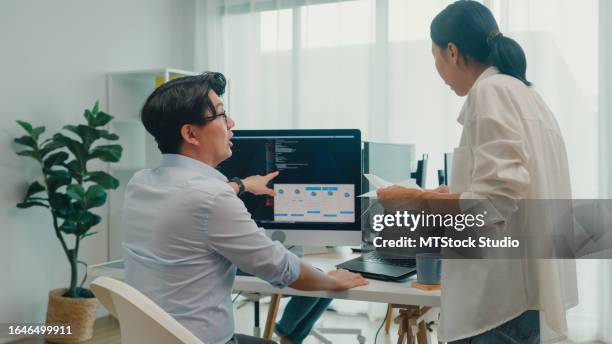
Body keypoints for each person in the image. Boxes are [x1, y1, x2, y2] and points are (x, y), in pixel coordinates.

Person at [377, 1, 577, 343]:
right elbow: (510, 188)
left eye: (435, 55)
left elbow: (494, 202)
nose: (437, 67)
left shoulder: (491, 92)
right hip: (523, 296)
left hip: (496, 305)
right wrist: (453, 192)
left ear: (452, 51)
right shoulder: (525, 94)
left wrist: (416, 199)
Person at [121, 72, 368, 344]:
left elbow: (194, 203)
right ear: (190, 133)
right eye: (220, 115)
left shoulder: (140, 183)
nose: (231, 123)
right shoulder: (212, 199)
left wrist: (242, 184)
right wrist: (333, 280)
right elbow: (283, 269)